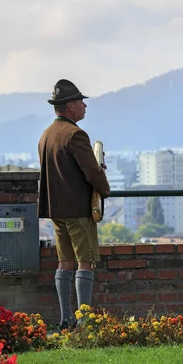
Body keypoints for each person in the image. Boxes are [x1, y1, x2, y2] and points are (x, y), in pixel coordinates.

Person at [37, 79, 110, 329]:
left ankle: (65, 319)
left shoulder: (46, 135)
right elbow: (92, 172)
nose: (84, 107)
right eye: (81, 102)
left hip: (56, 210)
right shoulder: (76, 135)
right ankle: (84, 322)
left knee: (64, 261)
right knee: (85, 261)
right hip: (79, 209)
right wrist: (104, 189)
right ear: (70, 106)